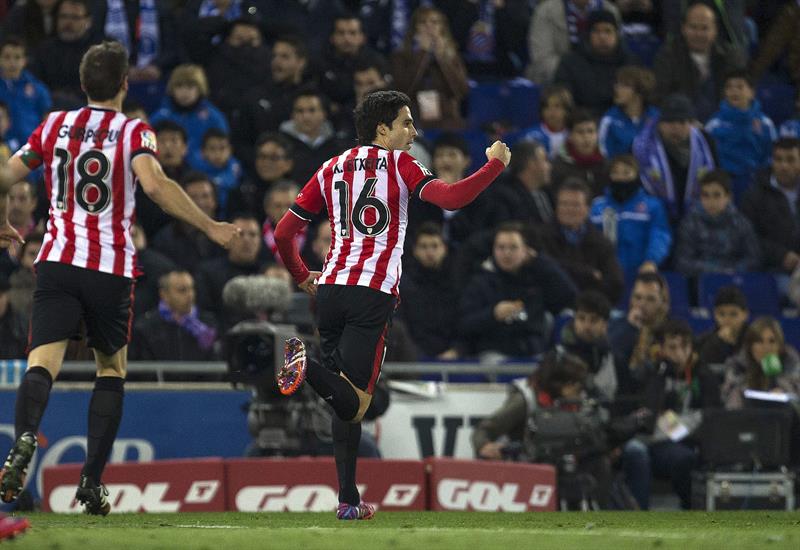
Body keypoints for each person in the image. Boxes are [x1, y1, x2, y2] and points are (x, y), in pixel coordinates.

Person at [0, 41, 240, 515]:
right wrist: (209, 226)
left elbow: (6, 175)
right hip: (108, 267)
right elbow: (154, 185)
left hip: (57, 260)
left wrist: (3, 218)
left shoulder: (54, 125)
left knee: (42, 362)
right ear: (126, 85)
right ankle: (91, 481)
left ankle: (25, 436)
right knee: (110, 370)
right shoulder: (134, 131)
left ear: (84, 84)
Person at [272, 90, 511, 520]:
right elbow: (452, 199)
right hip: (372, 291)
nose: (414, 132)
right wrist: (494, 164)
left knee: (342, 398)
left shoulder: (330, 167)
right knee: (357, 403)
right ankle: (304, 366)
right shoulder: (401, 164)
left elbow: (284, 231)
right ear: (383, 129)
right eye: (406, 123)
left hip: (328, 291)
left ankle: (347, 500)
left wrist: (301, 274)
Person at [460, 222, 577, 361]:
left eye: (513, 247)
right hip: (495, 354)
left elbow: (570, 297)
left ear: (526, 251)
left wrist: (540, 260)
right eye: (501, 247)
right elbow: (464, 324)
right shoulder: (480, 282)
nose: (506, 253)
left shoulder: (538, 277)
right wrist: (493, 314)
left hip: (535, 353)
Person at [653, 2, 745, 122]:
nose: (699, 34)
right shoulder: (667, 57)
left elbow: (741, 96)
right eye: (693, 27)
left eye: (705, 28)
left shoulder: (732, 57)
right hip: (682, 125)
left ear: (715, 30)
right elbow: (661, 97)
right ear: (683, 28)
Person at [632, 93, 716, 226]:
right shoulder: (642, 148)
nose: (676, 127)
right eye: (670, 122)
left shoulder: (705, 142)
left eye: (682, 122)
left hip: (698, 218)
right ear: (659, 123)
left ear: (692, 124)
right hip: (654, 218)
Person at [540, 178, 624, 303]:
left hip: (591, 307)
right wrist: (590, 275)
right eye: (564, 204)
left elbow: (615, 283)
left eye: (575, 205)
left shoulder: (601, 242)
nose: (569, 209)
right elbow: (547, 275)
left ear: (588, 209)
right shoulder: (541, 236)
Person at [590, 154, 672, 281]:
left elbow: (659, 235)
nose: (621, 177)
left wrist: (651, 261)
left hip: (642, 273)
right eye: (615, 173)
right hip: (605, 275)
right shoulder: (597, 207)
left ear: (636, 175)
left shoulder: (652, 206)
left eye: (626, 172)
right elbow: (589, 237)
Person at [391, 6, 469, 130]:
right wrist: (422, 53)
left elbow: (461, 90)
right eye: (423, 22)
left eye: (434, 22)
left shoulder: (451, 56)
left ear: (442, 28)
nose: (429, 27)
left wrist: (442, 57)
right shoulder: (401, 55)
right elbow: (402, 90)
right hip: (413, 120)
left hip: (448, 119)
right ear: (415, 28)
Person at [674, 170, 760, 277]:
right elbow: (683, 262)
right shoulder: (690, 224)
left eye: (717, 195)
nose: (711, 201)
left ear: (728, 197)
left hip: (735, 280)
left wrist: (731, 271)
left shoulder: (741, 223)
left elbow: (753, 259)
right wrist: (716, 270)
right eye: (706, 195)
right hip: (699, 282)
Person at [553, 9, 638, 115]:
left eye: (608, 31)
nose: (602, 37)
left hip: (621, 119)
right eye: (596, 31)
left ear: (617, 35)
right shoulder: (570, 62)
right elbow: (563, 95)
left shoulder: (630, 63)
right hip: (581, 121)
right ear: (588, 35)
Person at [705, 70, 776, 195]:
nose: (734, 91)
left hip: (756, 183)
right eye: (729, 87)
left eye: (739, 87)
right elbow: (706, 158)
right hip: (723, 184)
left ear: (752, 92)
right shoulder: (714, 125)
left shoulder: (765, 124)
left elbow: (771, 155)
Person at [398, 222, 461, 359]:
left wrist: (457, 349)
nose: (429, 252)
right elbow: (401, 326)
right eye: (424, 247)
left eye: (435, 246)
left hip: (453, 357)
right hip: (413, 358)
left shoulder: (456, 283)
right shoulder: (403, 286)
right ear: (415, 250)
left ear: (444, 248)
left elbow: (463, 322)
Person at [149, 63, 230, 167]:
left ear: (200, 89)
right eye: (179, 86)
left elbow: (224, 151)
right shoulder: (160, 117)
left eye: (190, 86)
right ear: (172, 89)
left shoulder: (214, 118)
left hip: (205, 174)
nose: (184, 92)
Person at [740, 138, 800, 274]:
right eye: (778, 159)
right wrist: (781, 256)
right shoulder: (754, 196)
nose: (784, 166)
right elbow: (748, 238)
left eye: (790, 160)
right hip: (772, 270)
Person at [526, 0, 621, 85]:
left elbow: (619, 52)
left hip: (605, 79)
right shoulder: (546, 11)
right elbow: (542, 59)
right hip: (557, 80)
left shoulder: (610, 10)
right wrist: (575, 75)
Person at [130, 270, 219, 361]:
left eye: (192, 288)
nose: (190, 295)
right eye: (182, 290)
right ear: (164, 295)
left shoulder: (207, 323)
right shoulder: (146, 327)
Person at [29, 0, 101, 110]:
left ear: (88, 21)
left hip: (87, 109)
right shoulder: (44, 49)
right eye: (63, 16)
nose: (68, 22)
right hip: (49, 108)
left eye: (75, 17)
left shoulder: (98, 51)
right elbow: (34, 83)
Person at [608, 271, 671, 394]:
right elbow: (611, 356)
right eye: (638, 297)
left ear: (663, 302)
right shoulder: (618, 326)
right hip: (622, 397)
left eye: (650, 299)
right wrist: (630, 328)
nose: (642, 304)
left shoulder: (671, 330)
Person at [721, 317, 800, 409]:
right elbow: (729, 401)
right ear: (750, 346)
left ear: (780, 346)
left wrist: (784, 393)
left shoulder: (792, 364)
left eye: (772, 341)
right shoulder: (737, 367)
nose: (766, 348)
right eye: (759, 341)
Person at [0, 36, 52, 151]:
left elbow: (47, 122)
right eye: (7, 57)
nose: (12, 62)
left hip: (31, 150)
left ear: (25, 60)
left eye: (17, 57)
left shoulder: (38, 89)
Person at [599, 65, 659, 159]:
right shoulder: (609, 119)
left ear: (639, 91)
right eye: (617, 84)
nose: (617, 89)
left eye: (625, 86)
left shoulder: (656, 117)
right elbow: (604, 154)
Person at [551, 109, 607, 196]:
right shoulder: (558, 168)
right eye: (580, 132)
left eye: (591, 131)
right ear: (570, 136)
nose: (586, 137)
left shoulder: (606, 165)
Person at [191, 128, 242, 215]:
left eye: (222, 148)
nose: (218, 154)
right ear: (203, 151)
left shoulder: (236, 168)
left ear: (230, 150)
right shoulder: (194, 169)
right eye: (212, 149)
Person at [514, 85, 573, 158]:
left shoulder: (574, 135)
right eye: (547, 107)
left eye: (557, 106)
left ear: (567, 110)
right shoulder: (530, 136)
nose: (552, 111)